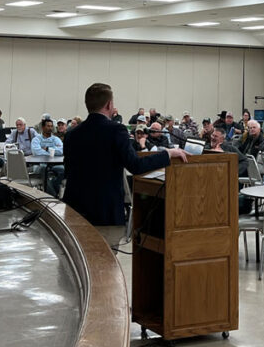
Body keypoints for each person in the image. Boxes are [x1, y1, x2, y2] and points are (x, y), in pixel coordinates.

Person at [63, 83, 187, 247]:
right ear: (109, 105)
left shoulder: (71, 134)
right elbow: (135, 166)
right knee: (104, 267)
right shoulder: (116, 130)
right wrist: (168, 154)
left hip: (74, 212)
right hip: (105, 215)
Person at [31, 117, 64, 196]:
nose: (50, 128)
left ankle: (53, 186)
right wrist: (52, 152)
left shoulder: (56, 139)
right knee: (43, 170)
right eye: (48, 126)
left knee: (63, 170)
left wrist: (47, 148)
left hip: (55, 164)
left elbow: (61, 151)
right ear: (43, 127)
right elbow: (36, 152)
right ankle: (53, 196)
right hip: (40, 164)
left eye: (51, 126)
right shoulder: (36, 139)